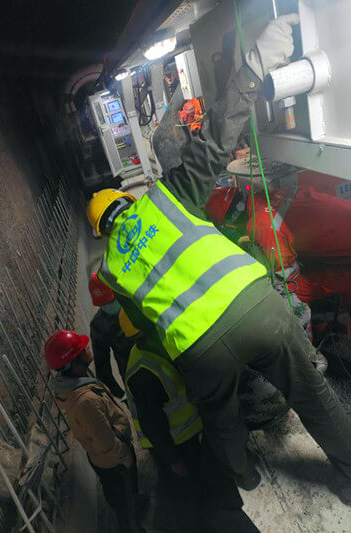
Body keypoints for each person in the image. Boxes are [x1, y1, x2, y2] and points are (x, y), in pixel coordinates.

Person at [86, 15, 351, 503]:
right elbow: (213, 141)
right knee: (312, 394)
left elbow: (144, 328)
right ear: (127, 200)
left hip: (201, 351)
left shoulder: (111, 269)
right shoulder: (164, 198)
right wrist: (254, 66)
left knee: (220, 417)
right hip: (257, 306)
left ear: (101, 230)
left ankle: (244, 477)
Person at [122, 315, 259, 532]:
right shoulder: (144, 372)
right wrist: (173, 460)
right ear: (144, 333)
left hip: (191, 436)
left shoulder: (157, 350)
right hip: (178, 446)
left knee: (209, 489)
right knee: (199, 495)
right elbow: (152, 424)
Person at [44, 330, 144, 533]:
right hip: (115, 461)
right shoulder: (85, 401)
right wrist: (126, 457)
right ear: (73, 362)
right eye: (82, 349)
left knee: (123, 495)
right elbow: (105, 442)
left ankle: (133, 510)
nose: (87, 348)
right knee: (125, 501)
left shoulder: (78, 383)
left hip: (105, 460)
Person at [205, 182, 351, 312]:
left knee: (291, 293)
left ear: (230, 222)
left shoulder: (260, 225)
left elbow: (289, 276)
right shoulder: (266, 196)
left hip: (339, 245)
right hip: (338, 229)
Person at [89, 271, 134, 397]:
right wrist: (122, 395)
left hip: (134, 378)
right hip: (137, 380)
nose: (108, 306)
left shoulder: (99, 325)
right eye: (103, 304)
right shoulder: (99, 326)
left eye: (109, 301)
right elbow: (103, 371)